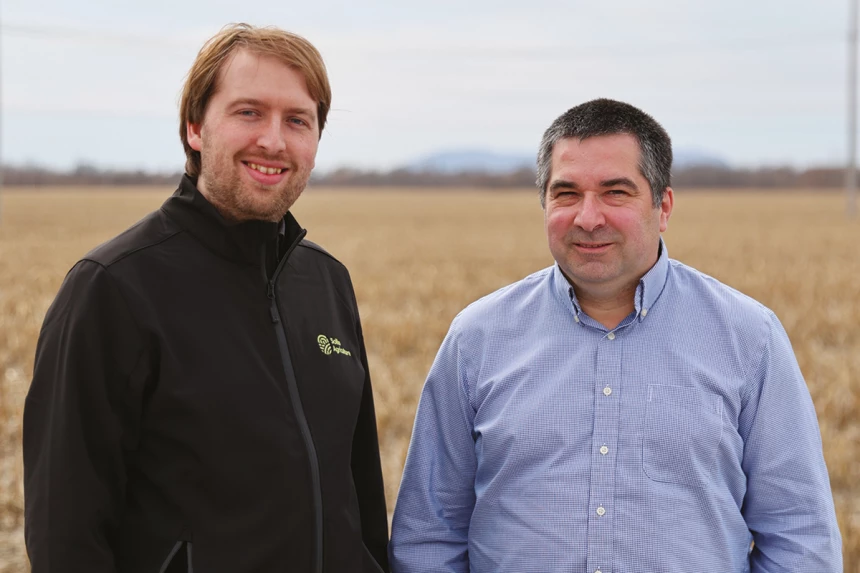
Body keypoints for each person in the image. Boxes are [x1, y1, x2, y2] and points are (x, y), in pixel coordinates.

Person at [389, 98, 842, 572]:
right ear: (544, 203)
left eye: (615, 192)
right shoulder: (476, 340)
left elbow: (799, 537)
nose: (588, 217)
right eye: (566, 193)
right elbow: (429, 535)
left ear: (662, 206)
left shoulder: (750, 339)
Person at [24, 23, 389, 573]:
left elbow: (360, 493)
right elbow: (65, 531)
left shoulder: (327, 282)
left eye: (297, 120)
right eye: (248, 112)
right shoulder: (113, 288)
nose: (273, 140)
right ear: (195, 127)